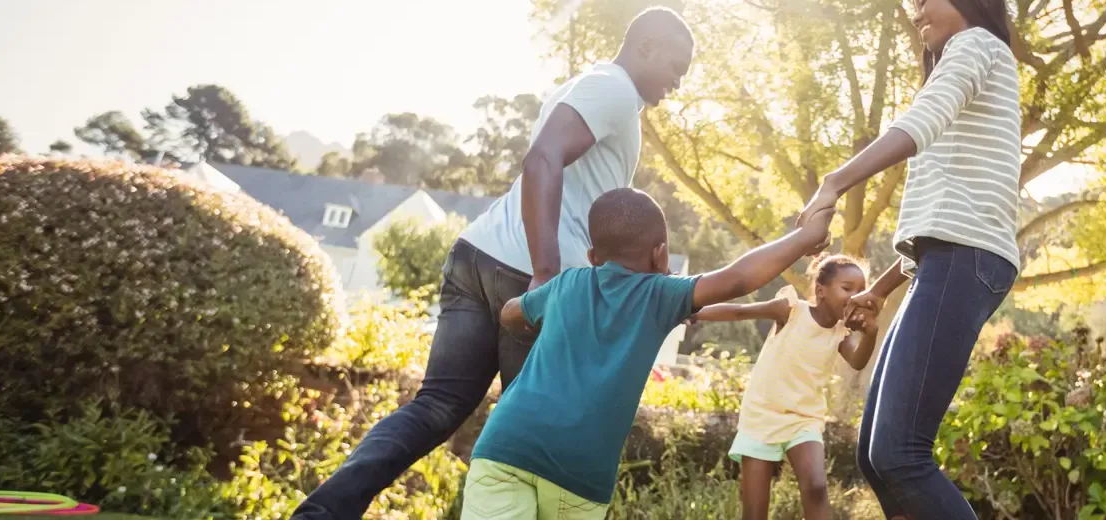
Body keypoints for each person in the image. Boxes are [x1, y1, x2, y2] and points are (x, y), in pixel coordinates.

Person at [291, 8, 695, 519]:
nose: (677, 82)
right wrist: (545, 272)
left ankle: (322, 514)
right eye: (676, 66)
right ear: (644, 48)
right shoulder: (612, 89)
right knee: (529, 439)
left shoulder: (590, 86)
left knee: (437, 407)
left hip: (478, 255)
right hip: (528, 275)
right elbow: (542, 158)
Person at [461, 188, 836, 520]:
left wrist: (530, 323)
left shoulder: (567, 283)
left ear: (592, 256)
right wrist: (806, 237)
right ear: (660, 255)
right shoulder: (660, 294)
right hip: (575, 472)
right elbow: (737, 278)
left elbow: (511, 311)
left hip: (506, 445)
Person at [795, 0, 1020, 517]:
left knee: (901, 455)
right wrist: (882, 288)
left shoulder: (977, 45)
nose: (914, 9)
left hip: (966, 260)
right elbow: (945, 218)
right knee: (876, 458)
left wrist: (834, 183)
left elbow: (921, 121)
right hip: (948, 261)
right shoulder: (973, 60)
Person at [689, 254, 880, 520]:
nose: (855, 296)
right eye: (847, 288)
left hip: (804, 419)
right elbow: (740, 311)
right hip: (762, 415)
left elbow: (858, 361)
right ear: (820, 291)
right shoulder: (790, 310)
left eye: (861, 291)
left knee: (816, 487)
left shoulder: (840, 333)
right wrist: (694, 313)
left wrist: (871, 333)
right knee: (755, 512)